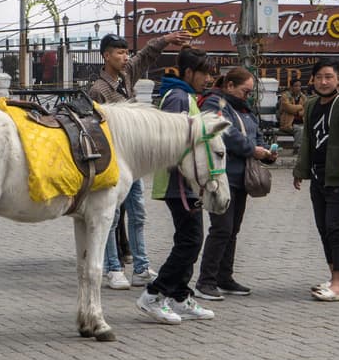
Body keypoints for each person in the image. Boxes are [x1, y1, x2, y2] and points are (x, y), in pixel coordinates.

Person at [86, 30, 188, 291]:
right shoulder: (98, 90)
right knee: (113, 215)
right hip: (112, 162)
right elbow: (94, 127)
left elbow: (146, 55)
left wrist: (165, 40)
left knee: (138, 213)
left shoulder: (126, 75)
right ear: (106, 56)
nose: (125, 57)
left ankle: (141, 267)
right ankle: (113, 268)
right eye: (119, 53)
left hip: (133, 162)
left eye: (125, 52)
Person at [136, 46, 217, 325]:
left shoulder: (184, 96)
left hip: (188, 181)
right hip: (179, 182)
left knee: (192, 239)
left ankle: (180, 296)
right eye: (204, 73)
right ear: (189, 72)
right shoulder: (178, 98)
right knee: (190, 241)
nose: (207, 78)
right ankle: (153, 294)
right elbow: (171, 140)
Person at [195, 67, 276, 301]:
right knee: (221, 229)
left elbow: (255, 132)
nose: (247, 96)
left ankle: (224, 277)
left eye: (250, 92)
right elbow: (226, 133)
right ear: (229, 86)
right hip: (221, 176)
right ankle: (205, 281)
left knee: (232, 230)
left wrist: (266, 150)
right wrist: (253, 150)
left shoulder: (242, 108)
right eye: (245, 91)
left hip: (240, 178)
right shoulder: (214, 104)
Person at [294, 59, 339, 302]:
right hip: (317, 177)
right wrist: (299, 170)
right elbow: (307, 140)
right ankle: (332, 276)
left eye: (328, 77)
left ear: (338, 79)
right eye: (319, 78)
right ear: (312, 80)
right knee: (323, 228)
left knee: (336, 228)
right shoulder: (312, 104)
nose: (324, 82)